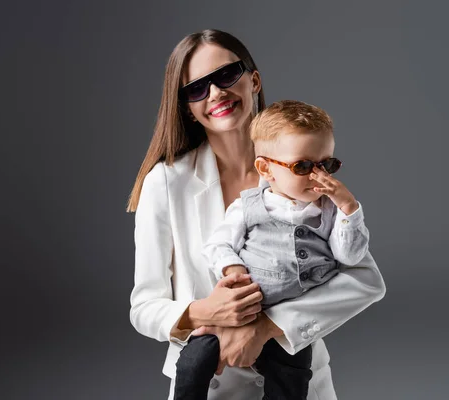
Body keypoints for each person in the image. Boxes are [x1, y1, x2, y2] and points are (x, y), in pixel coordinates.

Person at [128, 29, 386, 400]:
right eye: (197, 88)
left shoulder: (300, 167)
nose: (216, 93)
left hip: (299, 381)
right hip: (211, 385)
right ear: (186, 106)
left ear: (254, 80)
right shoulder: (167, 182)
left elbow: (364, 277)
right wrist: (206, 311)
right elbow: (144, 307)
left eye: (225, 75)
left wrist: (267, 326)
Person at [174, 99, 371, 400]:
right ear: (266, 168)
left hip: (286, 328)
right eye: (303, 166)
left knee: (291, 383)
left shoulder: (332, 212)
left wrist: (349, 209)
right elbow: (218, 243)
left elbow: (350, 257)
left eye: (327, 164)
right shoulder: (249, 206)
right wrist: (233, 268)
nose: (319, 176)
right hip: (239, 310)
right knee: (194, 361)